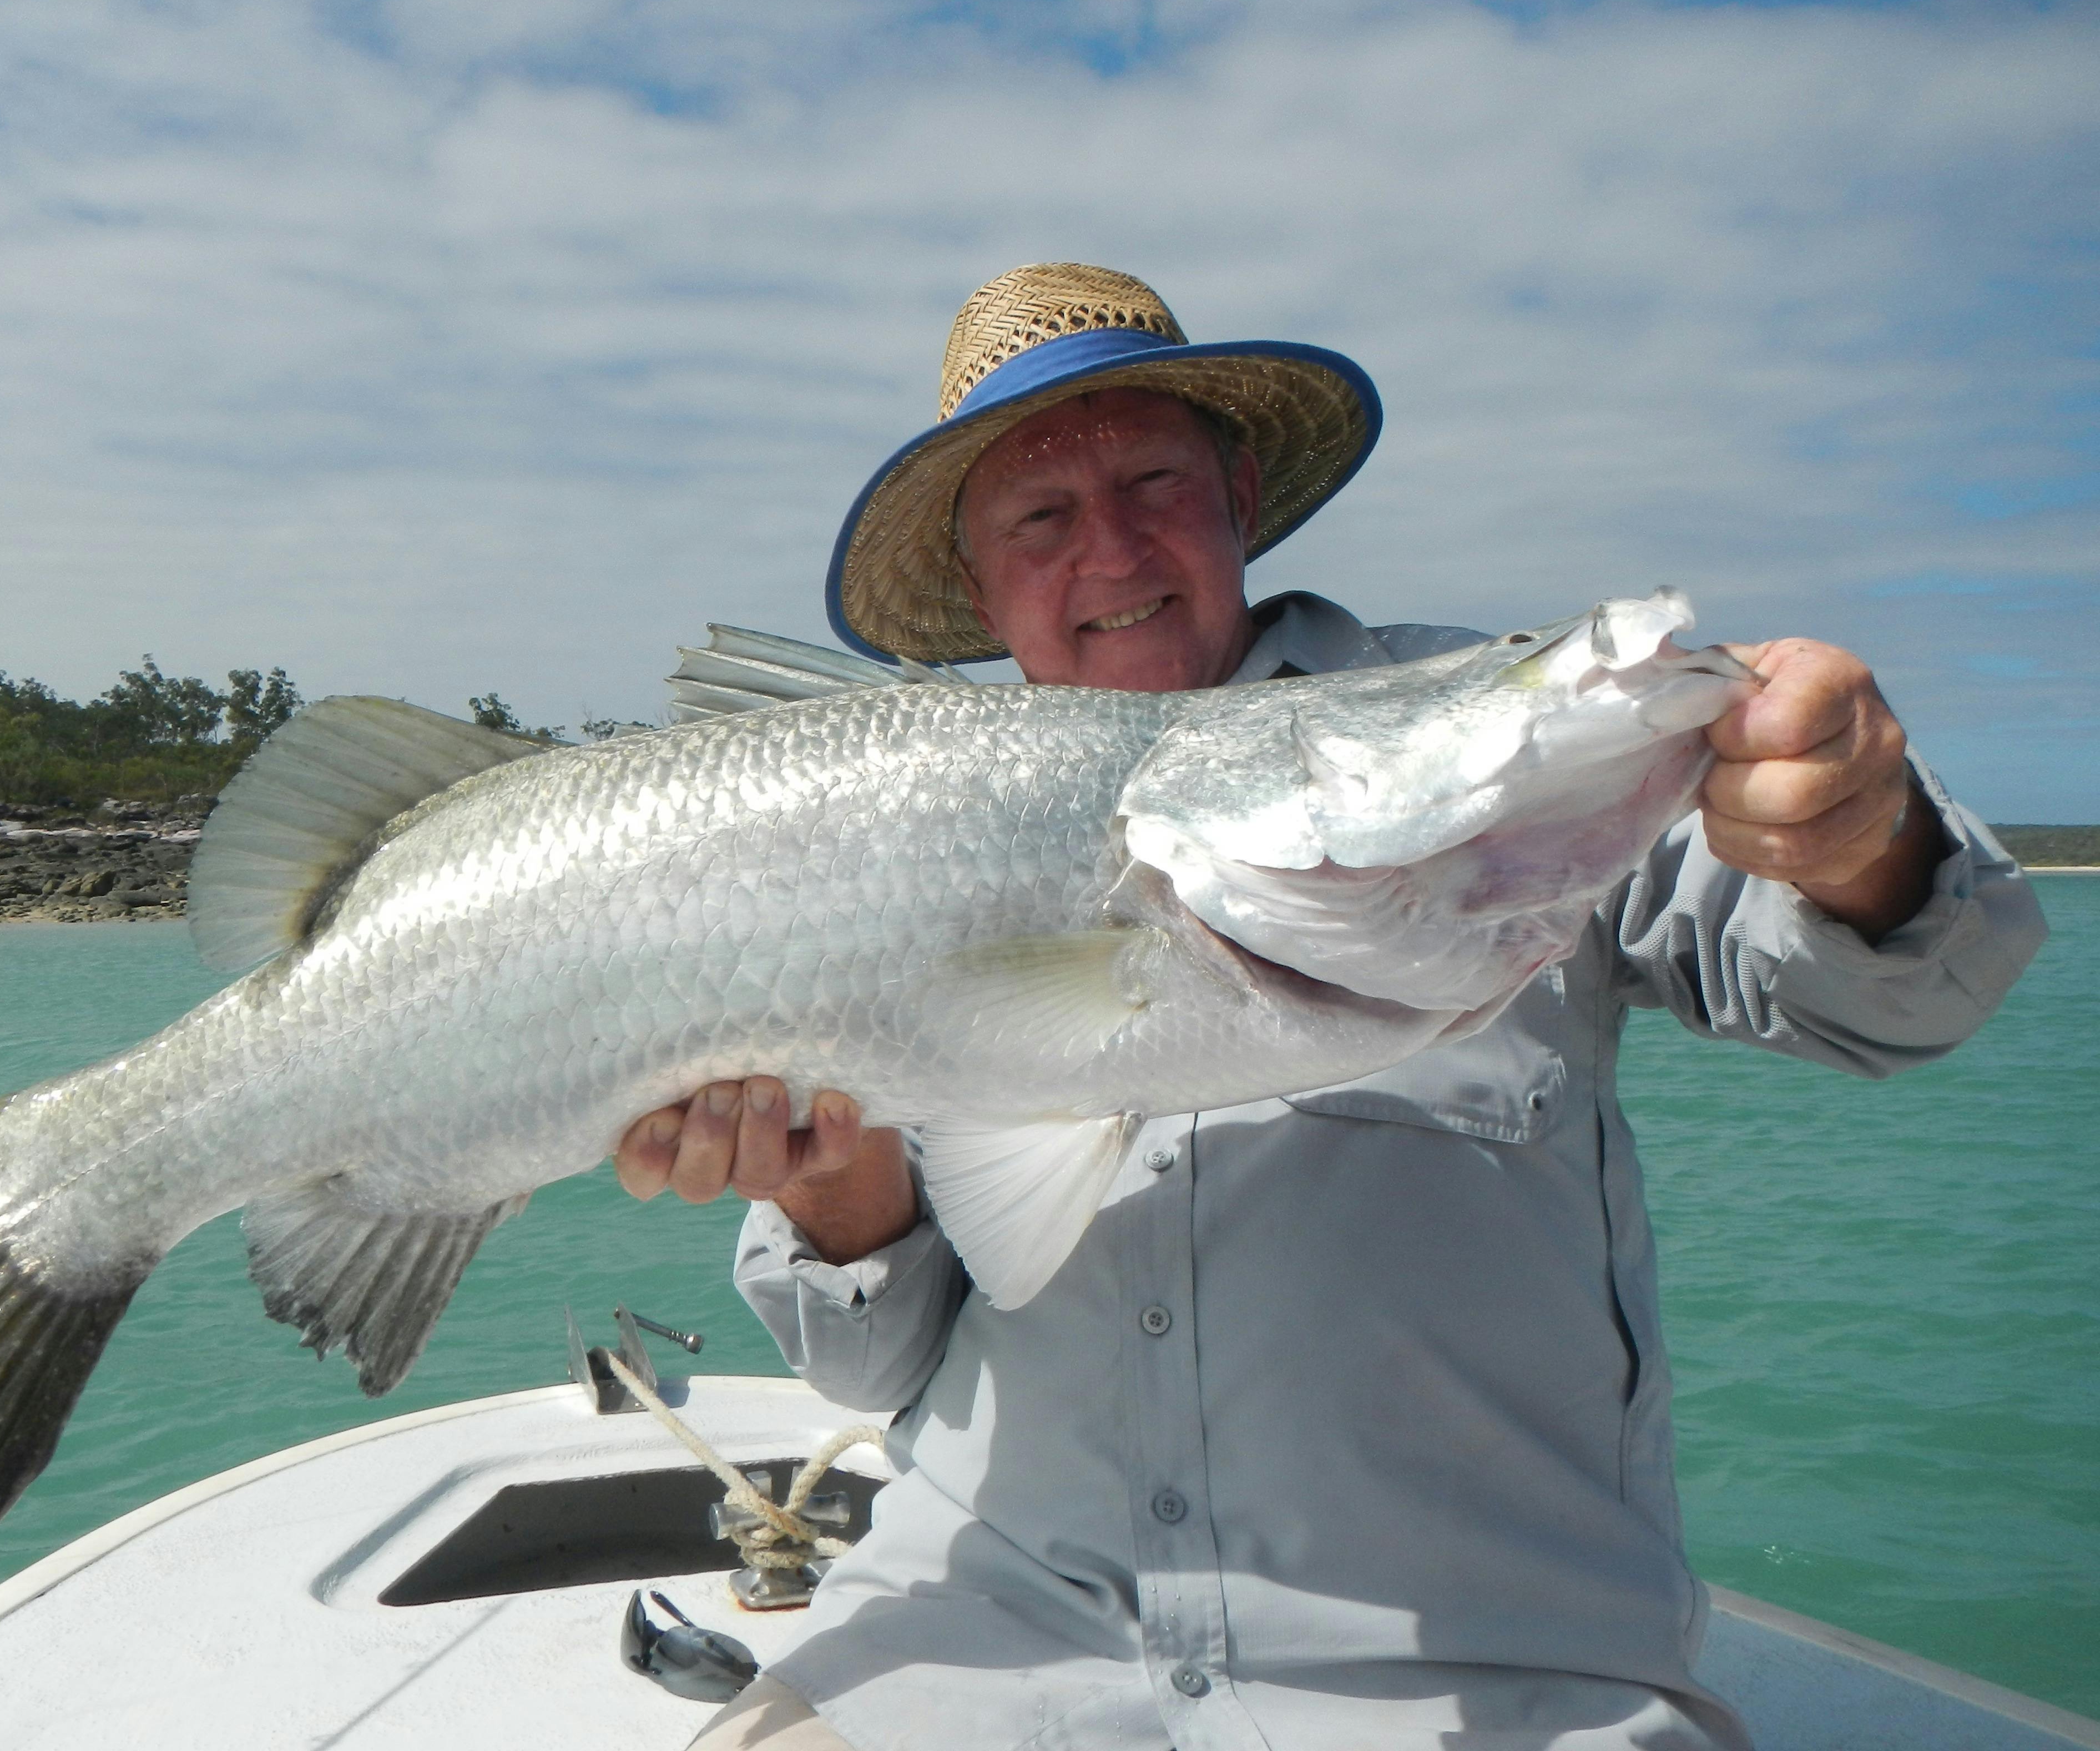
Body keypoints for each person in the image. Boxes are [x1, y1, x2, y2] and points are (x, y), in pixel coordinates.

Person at [614, 265, 2046, 1750]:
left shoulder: (1486, 746)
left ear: (1240, 494)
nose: (1112, 549)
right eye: (1041, 517)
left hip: (1496, 1690)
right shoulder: (859, 833)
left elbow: (1906, 1003)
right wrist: (844, 1176)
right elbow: (872, 1369)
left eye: (1153, 481)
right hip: (980, 1650)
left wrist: (1856, 834)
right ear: (982, 588)